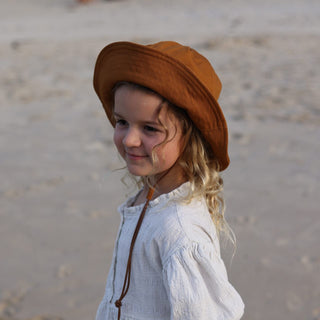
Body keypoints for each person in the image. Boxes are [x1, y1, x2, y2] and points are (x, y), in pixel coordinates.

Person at [93, 41, 244, 320]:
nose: (129, 139)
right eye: (121, 121)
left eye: (150, 128)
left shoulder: (181, 232)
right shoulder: (151, 195)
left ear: (191, 137)